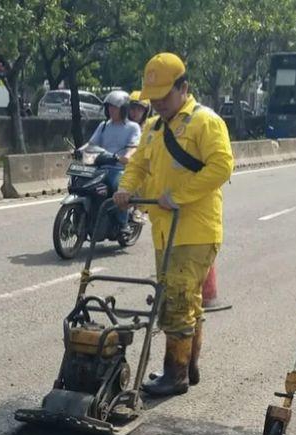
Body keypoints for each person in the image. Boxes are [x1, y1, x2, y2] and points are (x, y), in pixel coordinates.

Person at [113, 53, 233, 397]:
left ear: (184, 88)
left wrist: (178, 195)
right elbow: (139, 167)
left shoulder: (204, 122)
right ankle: (189, 367)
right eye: (154, 98)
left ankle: (174, 374)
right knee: (183, 299)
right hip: (164, 230)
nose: (158, 104)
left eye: (165, 96)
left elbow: (221, 166)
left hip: (195, 230)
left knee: (177, 302)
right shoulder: (153, 129)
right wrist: (125, 188)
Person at [78, 90, 141, 234]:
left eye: (114, 107)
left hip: (119, 168)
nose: (111, 110)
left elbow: (133, 148)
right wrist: (78, 150)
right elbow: (91, 144)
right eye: (109, 107)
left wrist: (126, 157)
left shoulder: (132, 127)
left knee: (117, 186)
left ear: (124, 109)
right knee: (82, 179)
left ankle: (123, 222)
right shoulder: (104, 125)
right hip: (100, 166)